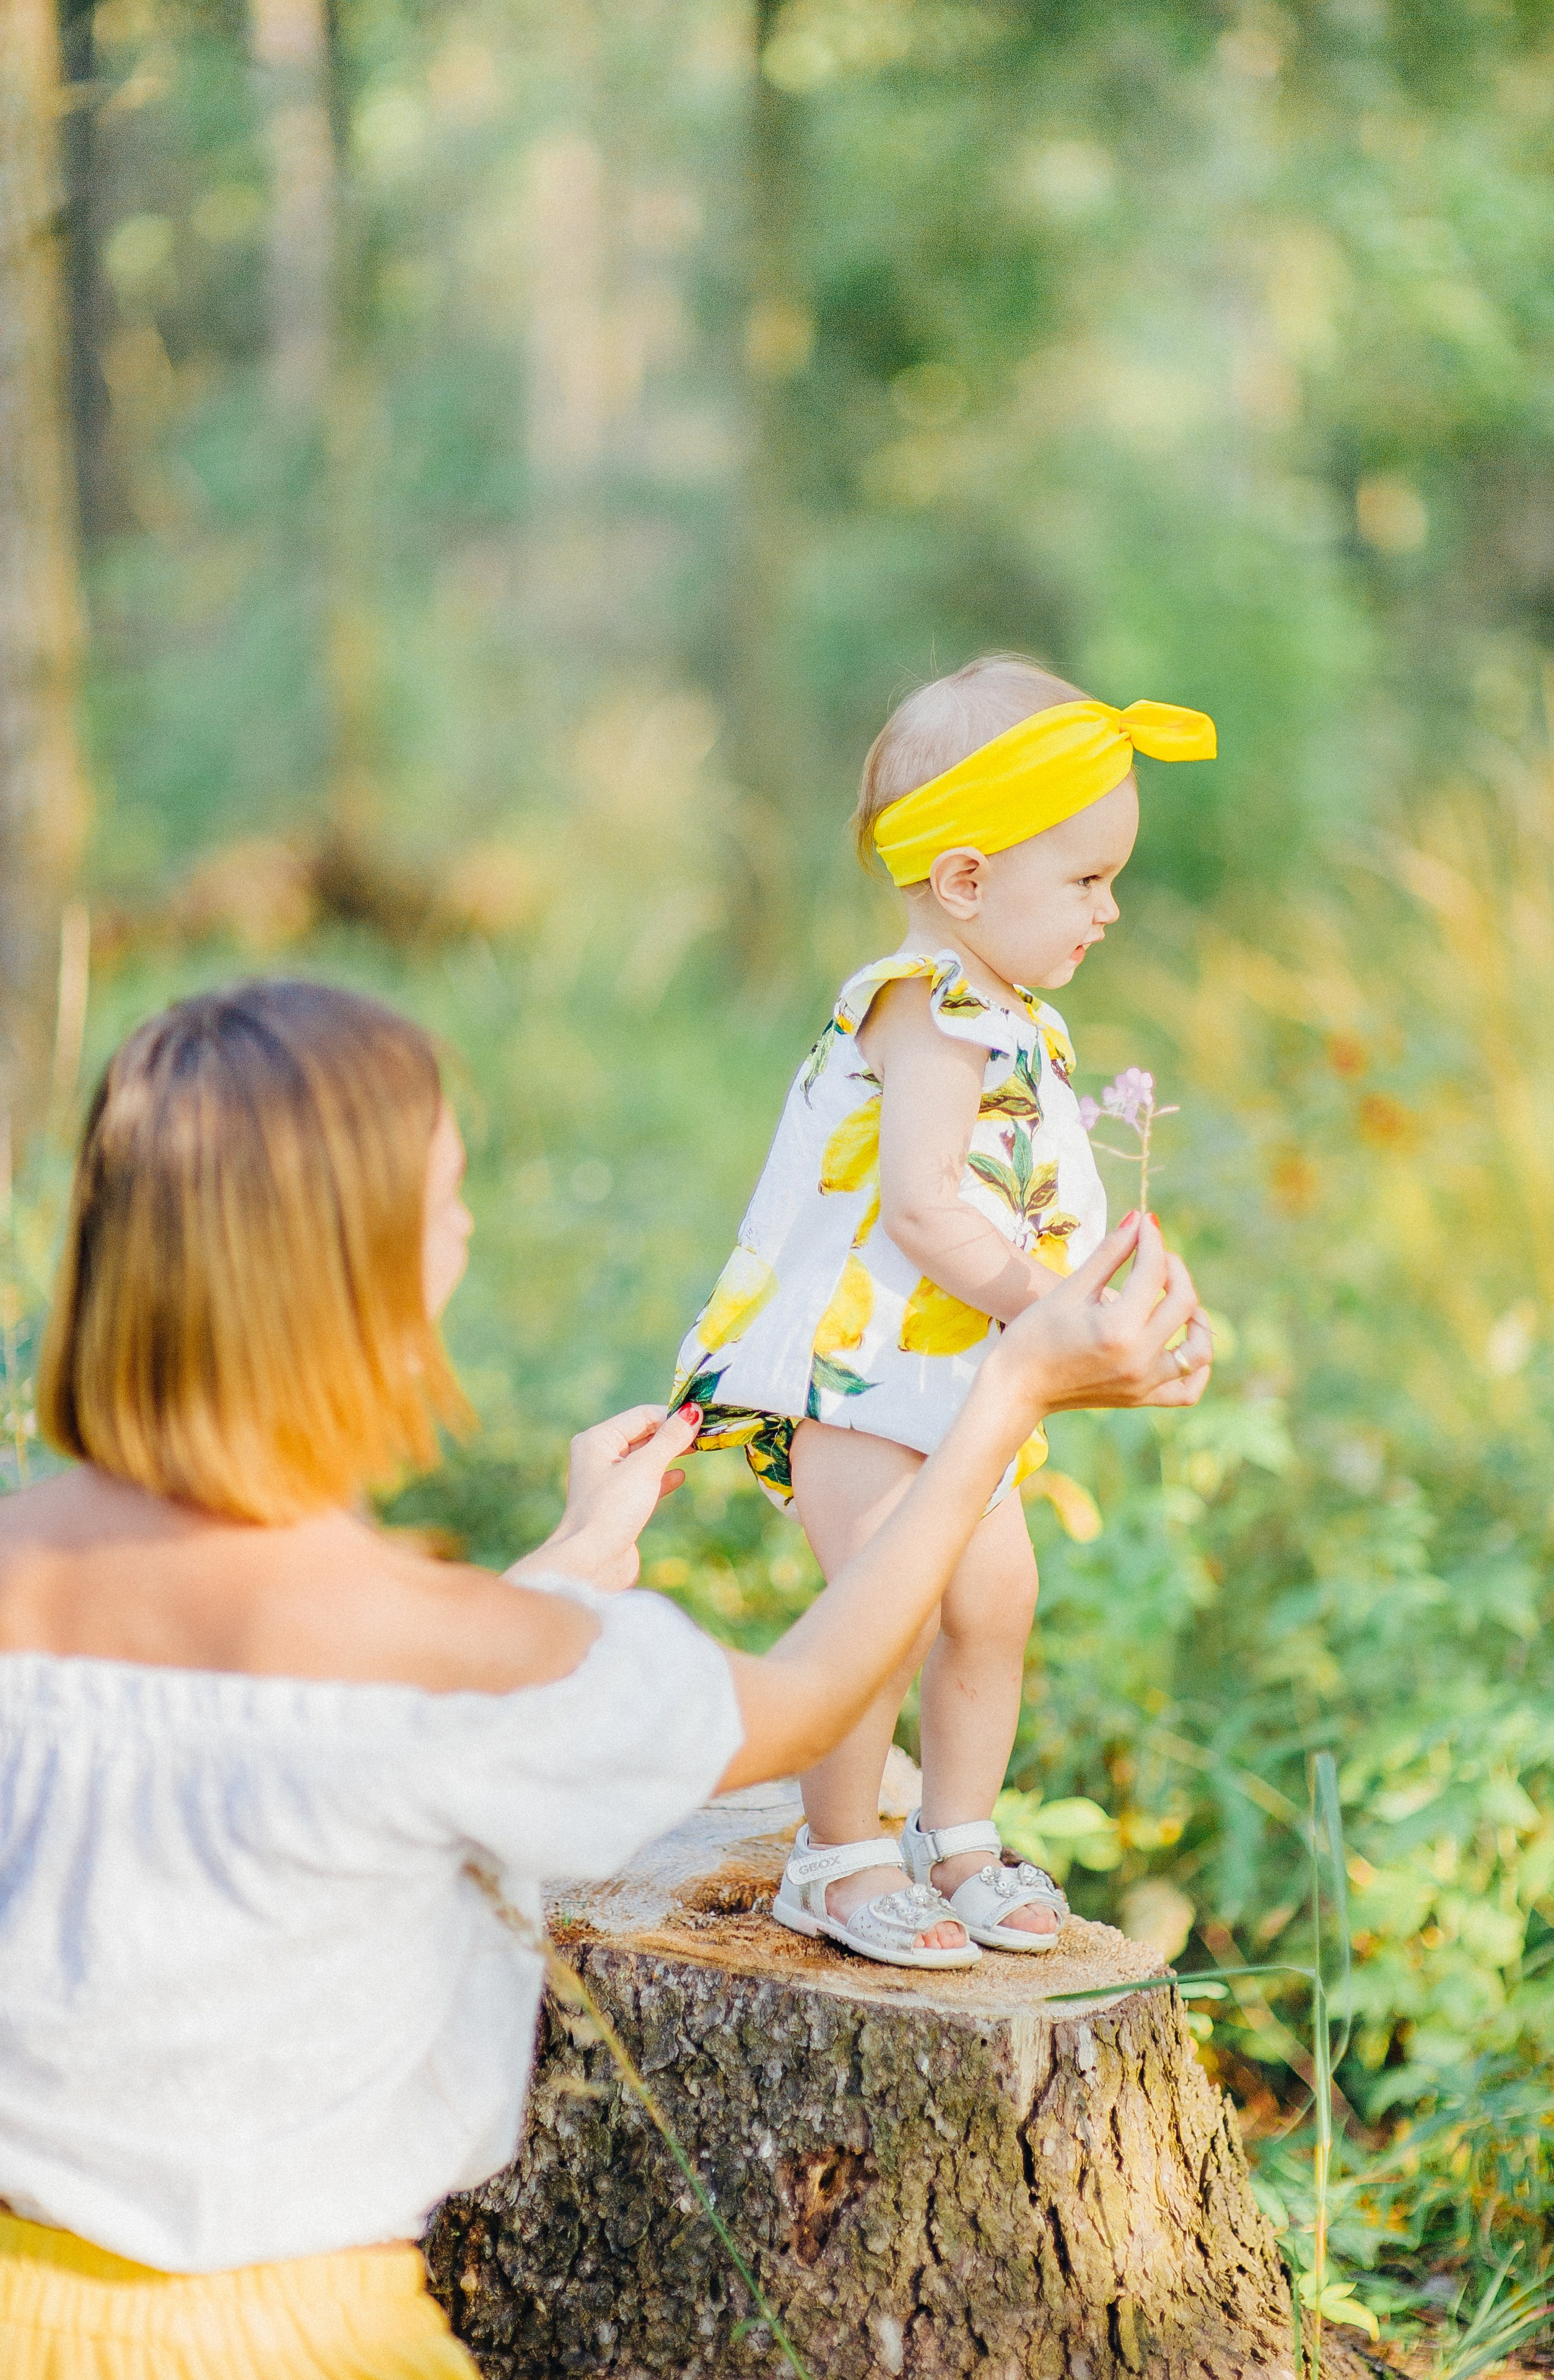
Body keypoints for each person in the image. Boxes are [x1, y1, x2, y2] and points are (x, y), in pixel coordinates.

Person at [0, 977, 1209, 2379]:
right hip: (306, 2336)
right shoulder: (452, 1650)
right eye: (448, 1205)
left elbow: (336, 1713)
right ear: (363, 1274)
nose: (461, 1237)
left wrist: (571, 1558)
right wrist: (1001, 1402)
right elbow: (805, 1704)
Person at [671, 655, 1216, 1968]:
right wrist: (1052, 1315)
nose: (1111, 908)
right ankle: (838, 1853)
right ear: (965, 880)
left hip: (956, 1378)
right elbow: (919, 1207)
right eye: (1084, 880)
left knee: (995, 1599)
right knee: (886, 1601)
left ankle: (957, 1835)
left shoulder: (1010, 1012)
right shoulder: (927, 1007)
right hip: (858, 1368)